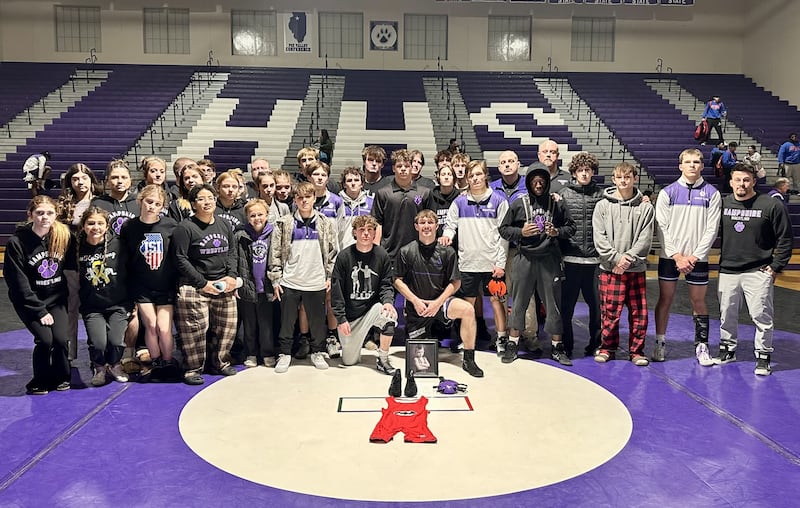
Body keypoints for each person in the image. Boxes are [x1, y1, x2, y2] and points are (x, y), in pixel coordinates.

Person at [716, 163, 793, 376]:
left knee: (761, 316)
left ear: (754, 181)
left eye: (746, 180)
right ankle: (727, 350)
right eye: (738, 180)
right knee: (726, 315)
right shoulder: (722, 204)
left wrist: (776, 267)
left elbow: (785, 238)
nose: (742, 184)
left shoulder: (770, 205)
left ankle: (763, 356)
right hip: (728, 270)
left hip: (758, 271)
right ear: (731, 182)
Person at [498, 165, 575, 366]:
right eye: (535, 181)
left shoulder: (557, 203)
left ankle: (557, 347)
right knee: (519, 303)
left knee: (553, 304)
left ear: (547, 182)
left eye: (542, 180)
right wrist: (521, 233)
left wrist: (557, 232)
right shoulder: (518, 203)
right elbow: (504, 230)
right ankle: (513, 343)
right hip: (525, 258)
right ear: (529, 182)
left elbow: (571, 227)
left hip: (549, 259)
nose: (539, 184)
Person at [394, 210, 484, 377]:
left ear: (437, 226)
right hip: (417, 307)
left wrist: (437, 303)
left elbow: (456, 282)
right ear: (416, 226)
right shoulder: (406, 251)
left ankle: (469, 359)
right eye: (422, 223)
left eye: (430, 223)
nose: (426, 226)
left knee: (468, 310)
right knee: (420, 365)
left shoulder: (447, 252)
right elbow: (397, 280)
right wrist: (415, 301)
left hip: (441, 303)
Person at [653, 149, 721, 365]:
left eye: (697, 162)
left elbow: (712, 229)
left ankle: (702, 346)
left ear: (702, 166)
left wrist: (694, 256)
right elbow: (662, 228)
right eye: (688, 162)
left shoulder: (712, 194)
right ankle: (660, 342)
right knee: (665, 299)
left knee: (699, 301)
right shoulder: (667, 193)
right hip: (670, 257)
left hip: (697, 259)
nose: (692, 165)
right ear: (680, 165)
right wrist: (676, 255)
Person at [4, 196, 76, 394]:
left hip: (57, 300)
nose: (45, 217)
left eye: (50, 213)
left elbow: (70, 269)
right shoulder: (17, 242)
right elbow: (18, 284)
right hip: (30, 302)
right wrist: (39, 310)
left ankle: (62, 376)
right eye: (40, 213)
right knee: (46, 339)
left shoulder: (64, 236)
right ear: (30, 215)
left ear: (56, 214)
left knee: (61, 339)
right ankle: (39, 380)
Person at [172, 184, 240, 385]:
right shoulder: (185, 227)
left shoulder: (224, 224)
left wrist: (231, 276)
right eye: (201, 199)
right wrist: (202, 283)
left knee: (228, 326)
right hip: (195, 285)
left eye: (210, 197)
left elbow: (232, 253)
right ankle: (192, 368)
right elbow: (180, 258)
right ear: (193, 203)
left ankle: (220, 362)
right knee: (195, 329)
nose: (207, 202)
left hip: (222, 283)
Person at [440, 160, 509, 357]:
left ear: (485, 176)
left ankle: (501, 339)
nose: (475, 178)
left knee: (497, 302)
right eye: (471, 176)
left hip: (491, 264)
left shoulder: (498, 201)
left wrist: (500, 264)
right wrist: (447, 235)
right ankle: (466, 340)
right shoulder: (460, 202)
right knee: (467, 305)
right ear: (467, 179)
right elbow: (450, 225)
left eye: (478, 174)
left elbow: (503, 235)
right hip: (467, 263)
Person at [268, 182, 338, 373]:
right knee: (287, 321)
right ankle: (284, 353)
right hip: (290, 280)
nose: (304, 201)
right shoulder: (284, 223)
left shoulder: (325, 222)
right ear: (295, 200)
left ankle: (317, 351)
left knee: (317, 321)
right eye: (300, 197)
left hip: (316, 280)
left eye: (308, 197)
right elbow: (274, 253)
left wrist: (329, 276)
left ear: (314, 198)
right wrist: (276, 278)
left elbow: (333, 252)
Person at [592, 162, 654, 366]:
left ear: (635, 178)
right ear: (614, 179)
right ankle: (607, 347)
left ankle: (636, 351)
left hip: (635, 269)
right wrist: (617, 259)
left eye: (628, 177)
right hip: (610, 269)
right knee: (610, 312)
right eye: (620, 177)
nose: (624, 181)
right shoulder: (602, 206)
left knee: (639, 312)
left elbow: (645, 240)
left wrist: (627, 259)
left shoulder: (645, 207)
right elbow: (599, 238)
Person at [119, 184, 179, 382]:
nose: (152, 206)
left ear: (163, 206)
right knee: (151, 326)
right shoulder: (129, 227)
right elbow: (125, 258)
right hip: (141, 285)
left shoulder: (170, 225)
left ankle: (168, 362)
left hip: (165, 284)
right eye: (149, 202)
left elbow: (176, 256)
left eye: (157, 204)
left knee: (164, 328)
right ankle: (155, 362)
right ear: (140, 201)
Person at [330, 215, 398, 374]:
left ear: (375, 233)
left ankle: (383, 359)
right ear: (354, 233)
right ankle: (353, 345)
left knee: (389, 316)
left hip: (370, 310)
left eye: (370, 230)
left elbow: (386, 284)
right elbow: (336, 290)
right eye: (361, 230)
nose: (366, 233)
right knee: (349, 362)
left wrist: (388, 301)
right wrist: (341, 319)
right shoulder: (344, 256)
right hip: (351, 318)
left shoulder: (381, 255)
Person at [557, 152, 605, 358]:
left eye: (588, 170)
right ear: (574, 173)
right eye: (580, 170)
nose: (584, 174)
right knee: (566, 308)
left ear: (593, 172)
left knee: (597, 307)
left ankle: (596, 344)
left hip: (594, 261)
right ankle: (566, 345)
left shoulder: (602, 195)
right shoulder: (563, 194)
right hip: (570, 259)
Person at [76, 207, 130, 386]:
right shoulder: (77, 247)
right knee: (99, 343)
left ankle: (115, 365)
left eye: (100, 223)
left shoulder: (119, 243)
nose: (95, 227)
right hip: (92, 306)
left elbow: (132, 271)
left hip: (118, 304)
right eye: (91, 223)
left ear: (107, 226)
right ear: (83, 226)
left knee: (115, 341)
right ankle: (99, 367)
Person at [235, 199, 277, 368]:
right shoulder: (240, 235)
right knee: (249, 324)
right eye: (253, 215)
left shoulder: (274, 233)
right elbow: (236, 261)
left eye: (260, 214)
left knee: (266, 323)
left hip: (266, 286)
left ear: (267, 215)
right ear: (247, 217)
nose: (257, 218)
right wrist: (239, 284)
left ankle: (267, 353)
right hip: (247, 286)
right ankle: (251, 353)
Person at [371, 149, 432, 263]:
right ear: (393, 168)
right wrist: (376, 250)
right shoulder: (383, 193)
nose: (403, 169)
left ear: (411, 167)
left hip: (418, 253)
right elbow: (377, 223)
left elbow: (430, 223)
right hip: (389, 254)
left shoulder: (425, 193)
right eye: (399, 166)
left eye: (407, 166)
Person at [92, 159, 140, 237]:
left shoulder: (139, 202)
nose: (120, 181)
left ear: (130, 180)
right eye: (115, 177)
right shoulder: (98, 203)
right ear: (107, 181)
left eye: (124, 177)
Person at [338, 166, 374, 250]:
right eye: (349, 180)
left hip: (365, 250)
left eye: (357, 180)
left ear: (362, 184)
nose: (353, 183)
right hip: (342, 250)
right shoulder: (337, 202)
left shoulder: (371, 203)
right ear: (344, 184)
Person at [429, 163, 459, 238]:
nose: (446, 177)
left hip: (455, 243)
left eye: (449, 174)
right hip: (435, 243)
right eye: (443, 174)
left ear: (454, 178)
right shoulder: (430, 197)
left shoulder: (460, 198)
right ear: (438, 178)